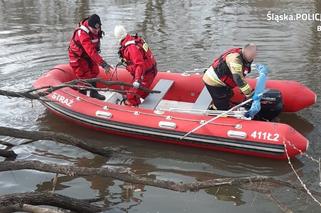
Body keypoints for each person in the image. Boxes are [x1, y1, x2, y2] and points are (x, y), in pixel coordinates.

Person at [68, 14, 112, 100]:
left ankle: (93, 93)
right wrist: (103, 64)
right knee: (83, 75)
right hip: (78, 56)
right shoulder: (82, 33)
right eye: (94, 29)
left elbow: (93, 50)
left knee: (94, 71)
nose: (96, 31)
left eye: (98, 28)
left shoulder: (96, 28)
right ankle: (82, 96)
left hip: (88, 55)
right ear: (89, 26)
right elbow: (90, 51)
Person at [202, 43, 257, 110]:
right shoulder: (235, 59)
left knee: (229, 94)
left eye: (254, 55)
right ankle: (215, 110)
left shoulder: (243, 55)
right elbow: (238, 78)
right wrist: (249, 94)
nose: (253, 58)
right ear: (246, 51)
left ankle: (215, 106)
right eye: (251, 56)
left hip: (221, 81)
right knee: (222, 106)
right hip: (213, 81)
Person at [114, 25, 158, 106]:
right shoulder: (133, 39)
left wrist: (137, 79)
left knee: (131, 96)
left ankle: (135, 112)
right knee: (141, 92)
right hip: (149, 70)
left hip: (145, 74)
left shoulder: (131, 47)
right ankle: (142, 105)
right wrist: (125, 61)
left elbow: (139, 65)